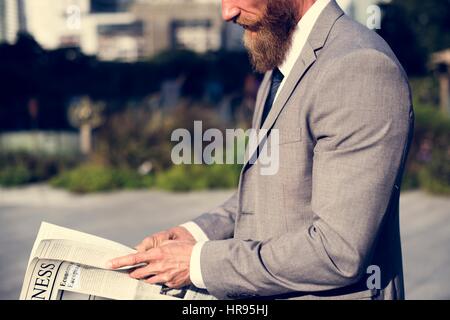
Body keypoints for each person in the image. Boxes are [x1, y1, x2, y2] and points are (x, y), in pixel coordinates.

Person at [107, 0, 414, 300]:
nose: (227, 12)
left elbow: (337, 251)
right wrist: (194, 234)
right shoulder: (281, 61)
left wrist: (197, 263)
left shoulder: (359, 66)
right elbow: (267, 193)